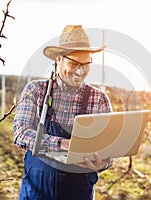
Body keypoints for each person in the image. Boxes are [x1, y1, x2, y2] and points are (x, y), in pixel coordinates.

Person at [13, 25, 113, 200]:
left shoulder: (99, 99)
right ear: (59, 59)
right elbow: (21, 134)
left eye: (85, 65)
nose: (80, 71)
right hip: (36, 192)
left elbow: (108, 150)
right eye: (74, 64)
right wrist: (64, 144)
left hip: (78, 193)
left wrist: (103, 163)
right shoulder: (36, 91)